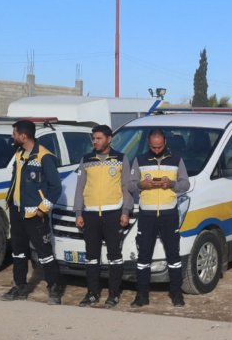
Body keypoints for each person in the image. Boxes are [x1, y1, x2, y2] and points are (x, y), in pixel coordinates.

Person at [0, 120, 64, 305]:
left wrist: (43, 209)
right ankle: (19, 287)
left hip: (35, 214)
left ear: (23, 135)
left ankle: (54, 288)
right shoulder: (19, 154)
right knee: (18, 253)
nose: (13, 137)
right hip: (17, 211)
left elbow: (55, 187)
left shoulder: (44, 156)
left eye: (14, 134)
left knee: (45, 253)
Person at [126, 129, 189, 308]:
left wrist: (172, 184)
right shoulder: (140, 160)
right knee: (143, 256)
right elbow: (129, 185)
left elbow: (186, 183)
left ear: (165, 143)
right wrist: (141, 184)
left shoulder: (176, 160)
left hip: (169, 214)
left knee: (173, 256)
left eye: (159, 146)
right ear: (148, 143)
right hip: (147, 215)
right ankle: (142, 295)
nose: (156, 150)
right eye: (153, 147)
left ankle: (177, 294)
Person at [73, 124, 132, 307]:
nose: (95, 141)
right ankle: (92, 293)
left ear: (109, 139)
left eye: (99, 138)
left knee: (114, 255)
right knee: (91, 256)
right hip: (90, 215)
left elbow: (126, 187)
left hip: (112, 214)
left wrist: (125, 211)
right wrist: (78, 212)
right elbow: (80, 187)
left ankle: (113, 294)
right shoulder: (86, 159)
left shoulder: (121, 159)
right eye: (93, 138)